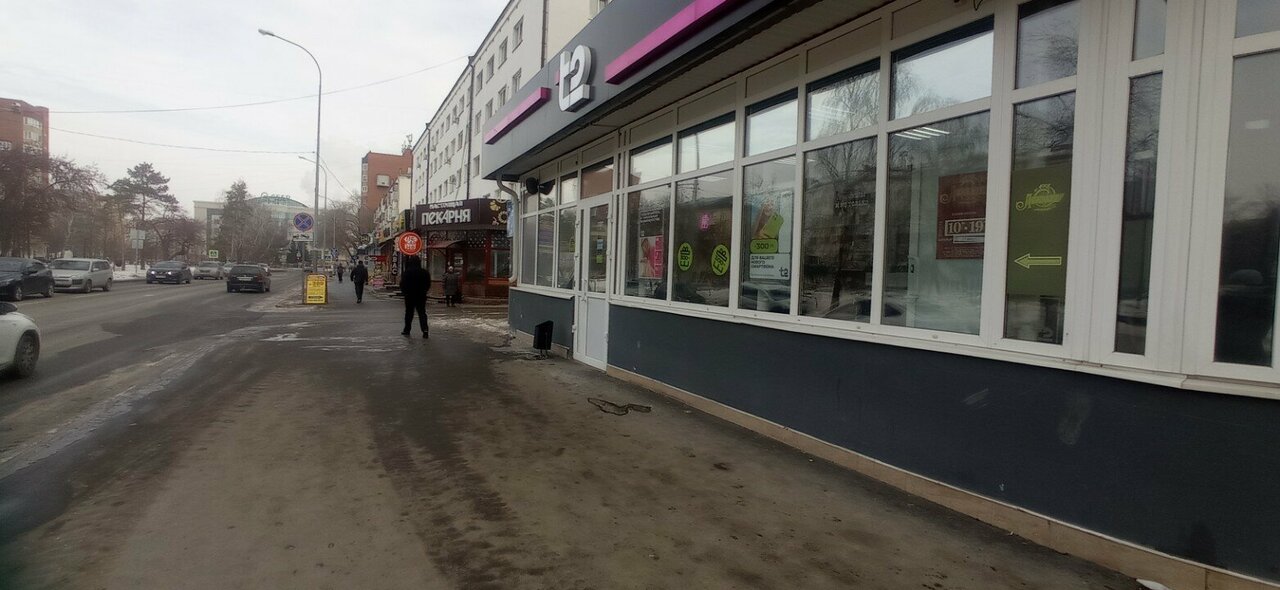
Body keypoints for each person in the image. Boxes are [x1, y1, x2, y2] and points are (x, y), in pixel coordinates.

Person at [399, 255, 431, 338]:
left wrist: (404, 292)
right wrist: (424, 291)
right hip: (421, 295)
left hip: (409, 296)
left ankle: (407, 330)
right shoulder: (424, 272)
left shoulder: (407, 272)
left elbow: (402, 284)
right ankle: (425, 329)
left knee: (409, 313)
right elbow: (428, 284)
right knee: (422, 312)